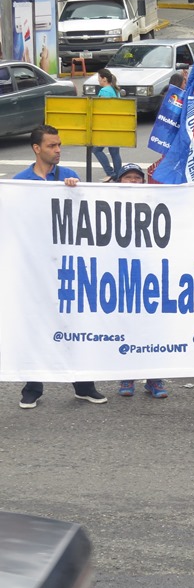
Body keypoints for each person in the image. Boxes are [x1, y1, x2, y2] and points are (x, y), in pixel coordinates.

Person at [14, 125, 107, 409]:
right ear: (37, 148)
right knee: (36, 326)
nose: (58, 150)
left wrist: (75, 192)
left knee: (73, 324)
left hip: (67, 265)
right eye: (52, 146)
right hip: (35, 267)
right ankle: (33, 387)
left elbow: (83, 220)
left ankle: (83, 385)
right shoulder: (20, 182)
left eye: (59, 145)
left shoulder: (69, 176)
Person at [114, 163, 168, 398]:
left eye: (138, 178)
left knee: (152, 328)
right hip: (121, 276)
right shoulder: (107, 204)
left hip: (150, 276)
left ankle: (154, 379)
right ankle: (127, 376)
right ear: (119, 182)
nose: (134, 181)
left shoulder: (153, 202)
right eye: (128, 178)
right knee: (127, 326)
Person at [92, 69, 123, 179]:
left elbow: (102, 109)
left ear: (104, 79)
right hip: (116, 125)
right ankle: (119, 175)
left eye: (99, 79)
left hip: (107, 125)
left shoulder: (104, 91)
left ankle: (110, 173)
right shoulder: (116, 90)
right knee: (114, 152)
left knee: (96, 150)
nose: (99, 81)